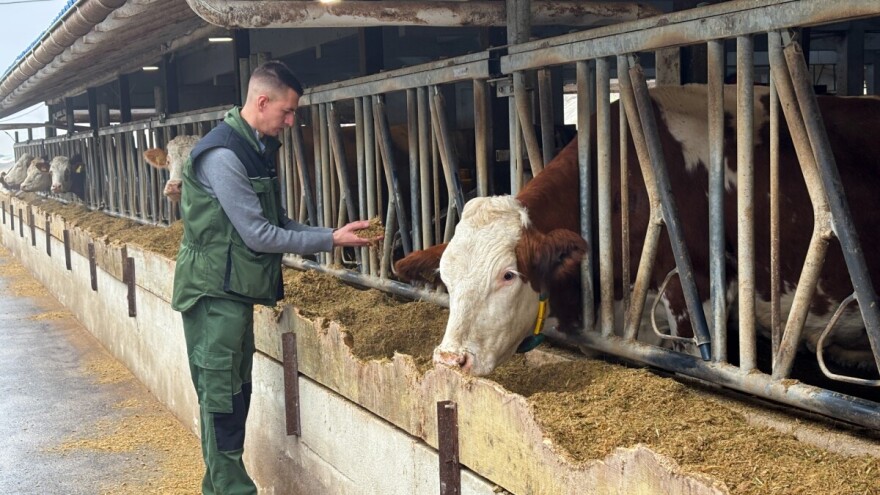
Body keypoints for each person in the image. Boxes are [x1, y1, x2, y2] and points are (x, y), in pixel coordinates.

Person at [171, 60, 378, 494]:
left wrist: (333, 235)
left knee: (234, 393)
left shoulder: (252, 148)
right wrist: (327, 241)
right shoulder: (224, 154)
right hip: (213, 294)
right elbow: (260, 234)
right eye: (286, 111)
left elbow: (277, 219)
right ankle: (233, 490)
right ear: (261, 101)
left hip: (234, 291)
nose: (290, 121)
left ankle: (219, 488)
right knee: (222, 400)